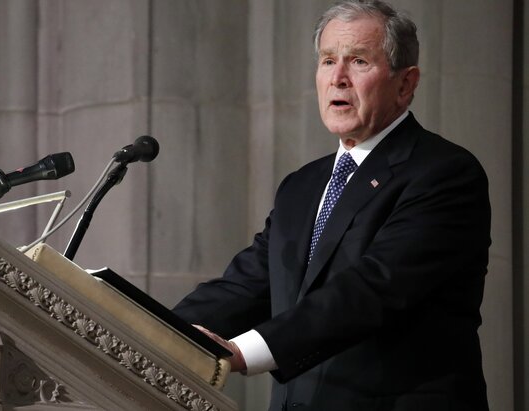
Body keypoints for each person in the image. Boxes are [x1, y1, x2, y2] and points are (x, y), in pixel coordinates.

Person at [171, 1, 491, 410]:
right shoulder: (302, 185)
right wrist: (154, 329)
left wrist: (243, 352)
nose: (338, 78)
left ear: (405, 83)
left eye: (358, 61)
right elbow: (247, 284)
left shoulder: (443, 173)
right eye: (327, 61)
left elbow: (372, 289)